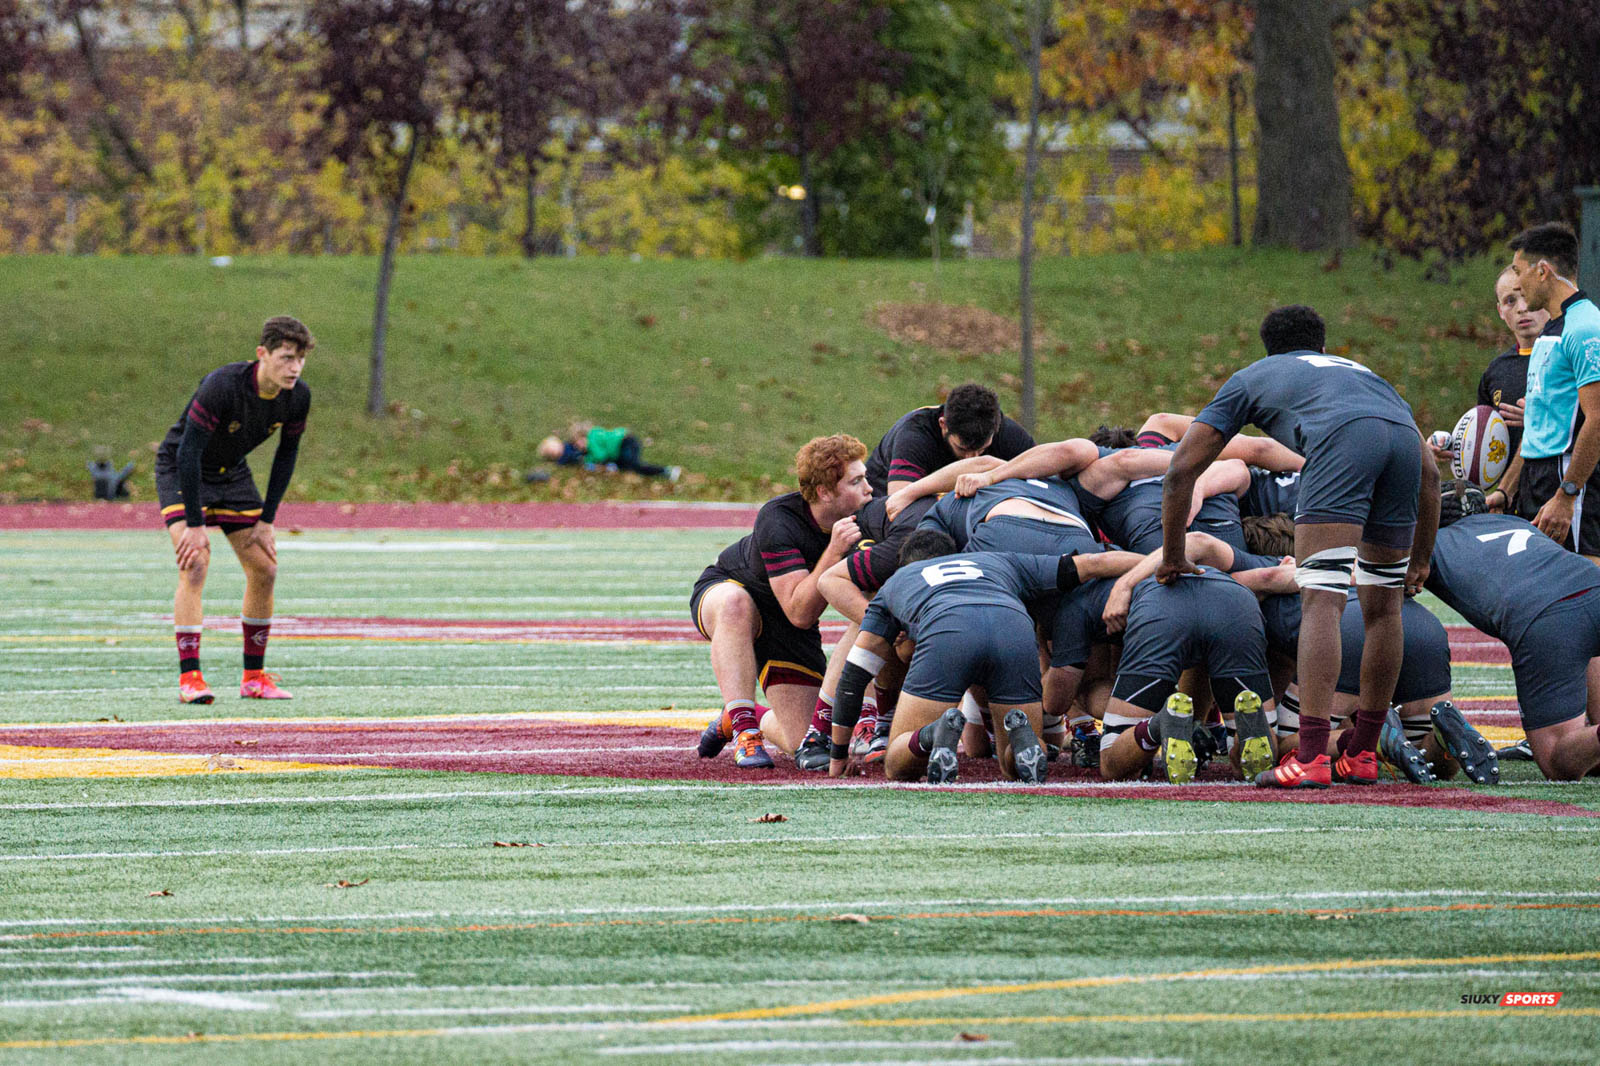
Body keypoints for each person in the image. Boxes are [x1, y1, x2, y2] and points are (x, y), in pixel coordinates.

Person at [1158, 304, 1440, 790]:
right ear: (1324, 347)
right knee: (1384, 608)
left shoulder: (1257, 375)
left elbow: (1182, 467)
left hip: (1344, 442)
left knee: (1322, 600)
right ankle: (1363, 753)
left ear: (1269, 351)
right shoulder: (1365, 373)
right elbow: (1432, 477)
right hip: (1397, 440)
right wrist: (1421, 558)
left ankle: (1310, 756)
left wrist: (1171, 554)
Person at [825, 530, 1141, 783]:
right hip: (1013, 627)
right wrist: (1161, 560)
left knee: (897, 764)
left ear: (906, 565)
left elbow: (854, 676)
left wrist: (838, 756)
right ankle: (1022, 740)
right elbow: (1090, 564)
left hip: (948, 632)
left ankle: (931, 735)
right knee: (1014, 770)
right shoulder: (996, 561)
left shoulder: (897, 582)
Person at [155, 316, 314, 704]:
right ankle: (190, 678)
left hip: (233, 475)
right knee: (195, 562)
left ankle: (254, 677)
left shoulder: (298, 396)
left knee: (266, 568)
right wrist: (194, 524)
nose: (294, 368)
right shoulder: (223, 386)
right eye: (286, 357)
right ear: (262, 354)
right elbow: (189, 450)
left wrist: (267, 520)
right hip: (182, 468)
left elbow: (286, 455)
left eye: (300, 359)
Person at [691, 435, 873, 769]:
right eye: (857, 481)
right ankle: (746, 732)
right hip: (733, 591)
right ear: (824, 492)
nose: (869, 489)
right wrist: (833, 551)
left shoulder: (869, 516)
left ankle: (741, 715)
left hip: (787, 627)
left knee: (804, 740)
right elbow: (800, 611)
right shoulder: (779, 517)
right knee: (736, 604)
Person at [1425, 482, 1600, 781]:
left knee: (1558, 760)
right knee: (1590, 747)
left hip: (1545, 617)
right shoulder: (1514, 521)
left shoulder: (1429, 544)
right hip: (1592, 582)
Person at [1501, 222, 1600, 562]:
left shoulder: (1584, 327)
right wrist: (1507, 490)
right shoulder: (1551, 329)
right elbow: (1541, 429)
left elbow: (1598, 419)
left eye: (1519, 271)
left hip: (1567, 477)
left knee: (1585, 583)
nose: (1517, 282)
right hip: (1538, 478)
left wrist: (1568, 493)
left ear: (1542, 271)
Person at [863, 383, 1033, 498]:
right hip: (878, 506)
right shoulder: (914, 436)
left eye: (981, 450)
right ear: (943, 425)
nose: (972, 460)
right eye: (962, 449)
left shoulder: (1006, 432)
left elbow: (1044, 478)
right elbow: (898, 503)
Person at [537, 422, 681, 481]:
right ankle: (661, 473)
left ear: (582, 437)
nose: (579, 446)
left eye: (579, 443)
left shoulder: (593, 437)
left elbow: (601, 455)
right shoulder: (591, 441)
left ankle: (666, 471)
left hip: (626, 442)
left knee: (634, 465)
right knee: (625, 467)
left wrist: (588, 460)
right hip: (620, 448)